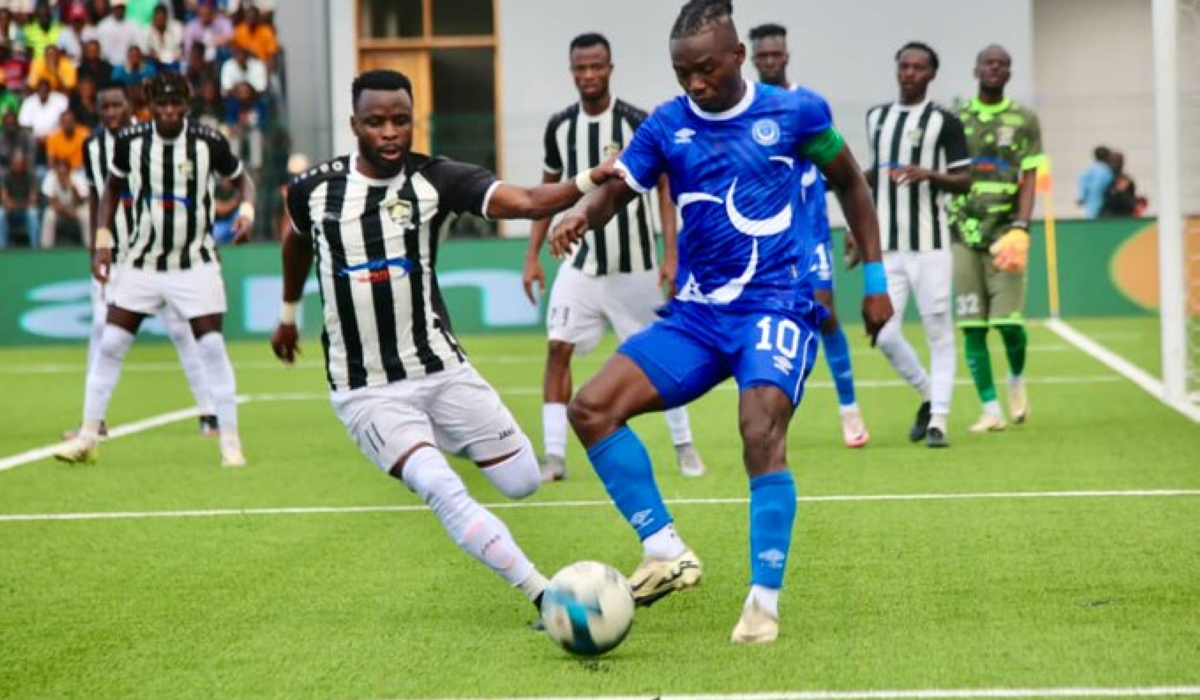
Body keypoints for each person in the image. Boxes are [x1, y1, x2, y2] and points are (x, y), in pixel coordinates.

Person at [548, 0, 892, 644]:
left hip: (777, 304)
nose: (695, 85)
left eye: (705, 70)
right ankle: (664, 550)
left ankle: (763, 601)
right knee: (590, 408)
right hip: (698, 317)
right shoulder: (666, 124)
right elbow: (620, 188)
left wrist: (873, 278)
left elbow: (852, 182)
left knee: (758, 427)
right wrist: (581, 215)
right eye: (683, 73)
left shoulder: (797, 112)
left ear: (736, 57)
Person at [270, 69, 622, 616]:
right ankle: (544, 595)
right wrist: (288, 313)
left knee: (524, 480)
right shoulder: (313, 190)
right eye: (376, 122)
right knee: (440, 487)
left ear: (414, 120)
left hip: (440, 370)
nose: (390, 132)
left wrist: (587, 180)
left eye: (400, 120)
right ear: (353, 125)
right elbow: (294, 243)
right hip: (367, 389)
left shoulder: (435, 180)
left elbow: (528, 199)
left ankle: (431, 435)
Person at [522, 32, 707, 482]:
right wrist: (531, 257)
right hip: (581, 268)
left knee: (660, 357)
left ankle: (684, 446)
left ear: (610, 68)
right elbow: (545, 195)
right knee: (556, 349)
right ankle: (555, 458)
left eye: (596, 66)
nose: (589, 75)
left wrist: (671, 256)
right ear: (572, 72)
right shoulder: (559, 126)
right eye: (580, 68)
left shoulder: (636, 122)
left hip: (637, 269)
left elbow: (665, 190)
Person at [54, 72, 253, 467]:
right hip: (140, 262)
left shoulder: (207, 141)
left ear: (187, 103)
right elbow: (111, 188)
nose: (168, 111)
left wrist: (246, 211)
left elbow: (241, 179)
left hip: (195, 261)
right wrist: (104, 243)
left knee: (210, 346)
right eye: (161, 104)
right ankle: (89, 436)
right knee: (110, 343)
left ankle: (230, 441)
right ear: (148, 105)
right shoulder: (131, 142)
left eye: (175, 103)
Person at [748, 21, 868, 447]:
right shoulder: (747, 107)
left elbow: (840, 171)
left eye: (775, 54)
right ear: (751, 57)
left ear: (786, 55)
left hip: (811, 232)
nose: (769, 61)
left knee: (825, 312)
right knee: (769, 325)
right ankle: (772, 417)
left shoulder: (811, 105)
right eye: (761, 55)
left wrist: (855, 226)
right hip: (765, 239)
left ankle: (849, 408)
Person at [863, 41, 971, 448]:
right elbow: (872, 178)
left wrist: (929, 174)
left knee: (938, 330)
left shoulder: (946, 122)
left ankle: (939, 419)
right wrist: (860, 234)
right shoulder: (877, 118)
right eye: (904, 66)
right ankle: (928, 393)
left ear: (931, 75)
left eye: (918, 68)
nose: (909, 73)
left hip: (931, 246)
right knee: (885, 334)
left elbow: (965, 180)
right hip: (888, 248)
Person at [948, 44, 1044, 432]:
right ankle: (990, 409)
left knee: (1008, 322)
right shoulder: (957, 118)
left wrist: (1021, 226)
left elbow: (1030, 177)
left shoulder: (1024, 119)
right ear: (976, 69)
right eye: (989, 63)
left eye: (1003, 65)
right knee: (972, 326)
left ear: (1008, 73)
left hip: (1006, 235)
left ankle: (1016, 380)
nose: (995, 69)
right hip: (964, 234)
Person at [1076, 146, 1112, 219]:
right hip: (1102, 201)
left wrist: (1081, 197)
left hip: (1091, 201)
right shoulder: (1107, 171)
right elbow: (1108, 185)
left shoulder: (1089, 170)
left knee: (1091, 216)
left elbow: (1082, 183)